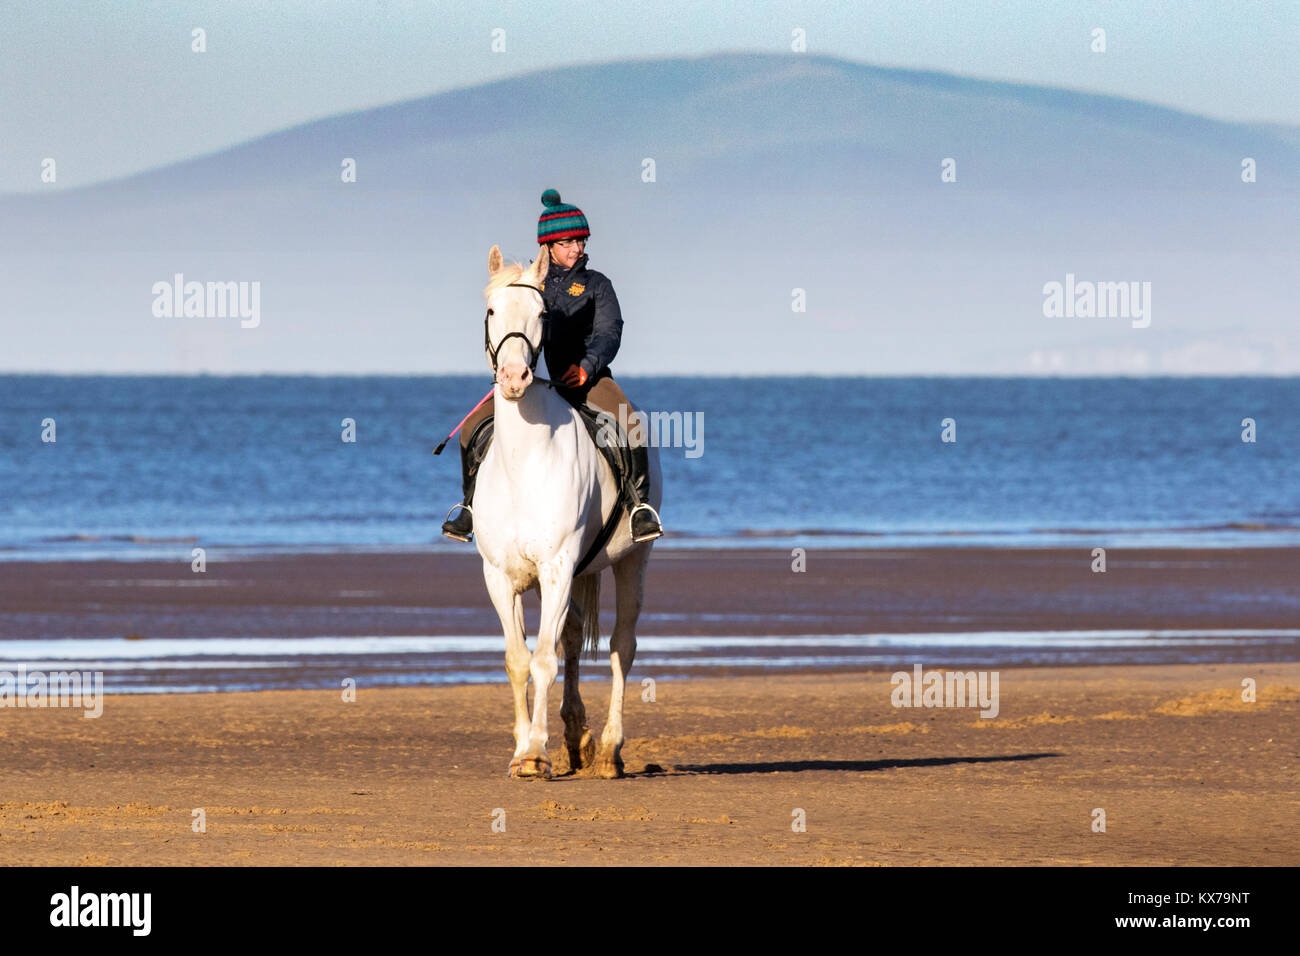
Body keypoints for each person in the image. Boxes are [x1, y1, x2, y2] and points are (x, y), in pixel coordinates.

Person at [442, 188, 664, 544]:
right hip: (532, 379)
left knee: (631, 422)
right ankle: (469, 507)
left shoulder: (597, 285)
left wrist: (587, 366)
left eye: (580, 240)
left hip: (583, 378)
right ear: (547, 246)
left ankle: (639, 509)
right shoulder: (528, 283)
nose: (576, 248)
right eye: (567, 242)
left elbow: (610, 332)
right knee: (470, 429)